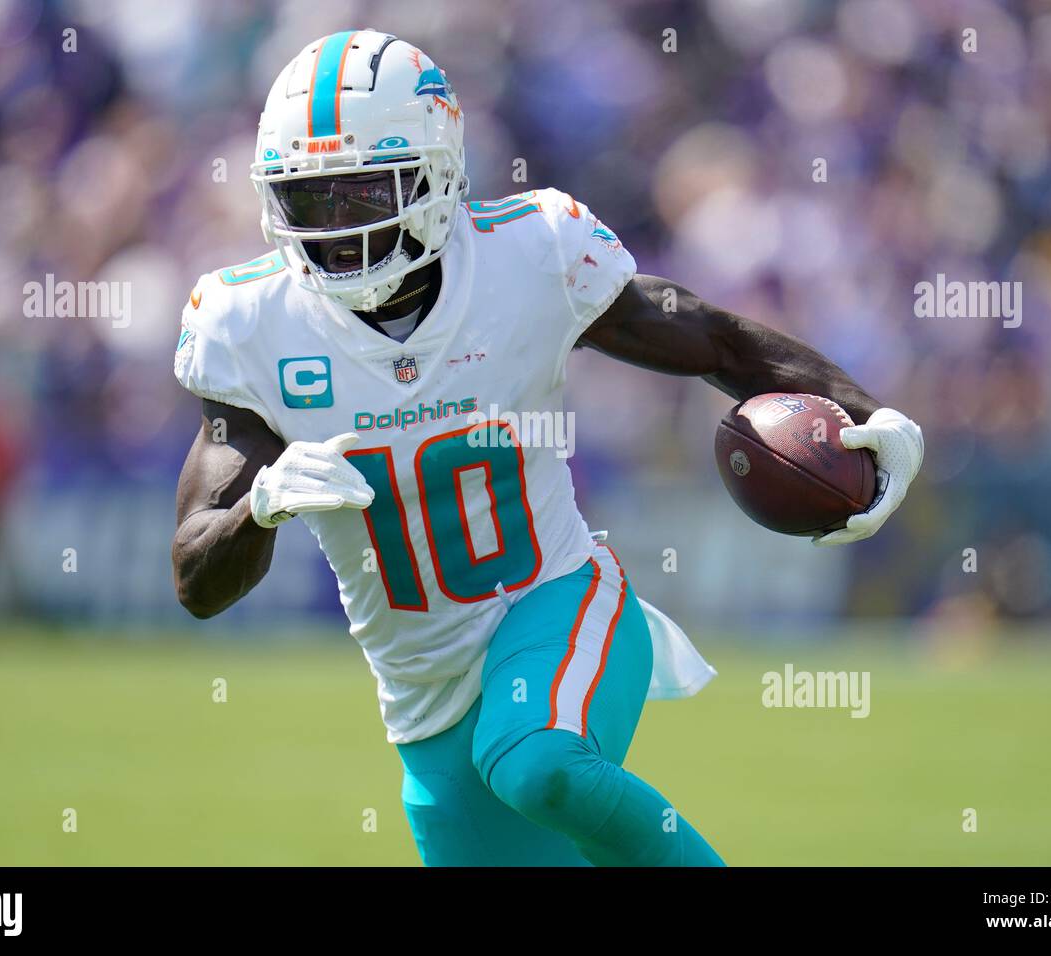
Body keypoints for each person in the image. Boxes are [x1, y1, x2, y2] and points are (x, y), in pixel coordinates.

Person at [170, 30, 923, 866]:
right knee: (514, 776)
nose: (335, 229)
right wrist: (259, 509)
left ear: (436, 175)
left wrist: (871, 416)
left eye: (360, 194)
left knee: (535, 763)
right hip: (425, 705)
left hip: (558, 600)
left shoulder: (529, 256)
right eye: (310, 200)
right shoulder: (246, 325)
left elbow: (713, 342)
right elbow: (197, 579)